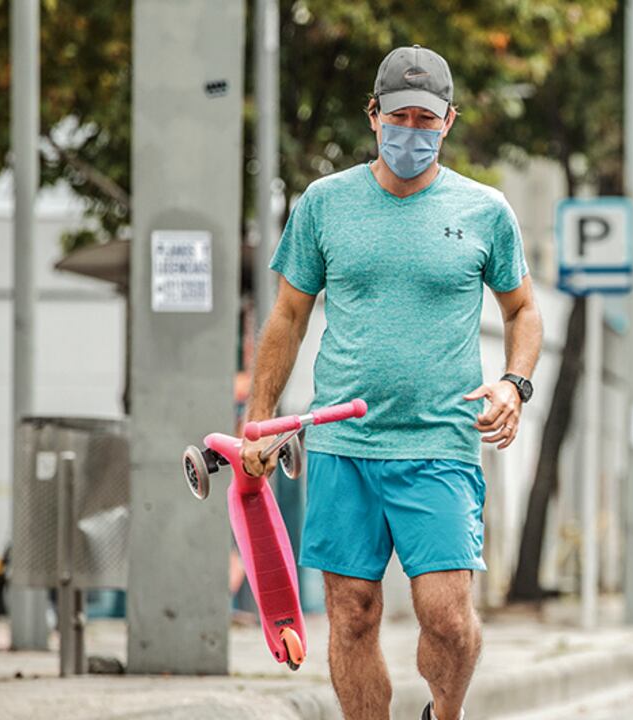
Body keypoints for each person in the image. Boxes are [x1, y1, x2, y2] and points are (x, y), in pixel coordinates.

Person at [241, 45, 543, 720]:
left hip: (440, 443)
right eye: (399, 116)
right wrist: (258, 415)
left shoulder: (485, 210)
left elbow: (522, 310)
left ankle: (445, 713)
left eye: (426, 119)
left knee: (448, 618)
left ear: (449, 122)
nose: (413, 131)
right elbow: (289, 315)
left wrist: (513, 384)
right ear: (373, 116)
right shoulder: (325, 203)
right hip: (343, 444)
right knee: (351, 614)